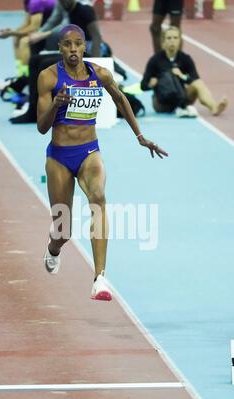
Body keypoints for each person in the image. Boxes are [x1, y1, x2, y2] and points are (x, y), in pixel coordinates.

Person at [38, 24, 168, 301]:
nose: (73, 49)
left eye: (77, 44)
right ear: (60, 48)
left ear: (84, 46)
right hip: (59, 157)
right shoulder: (48, 77)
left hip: (89, 152)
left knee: (98, 198)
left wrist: (140, 136)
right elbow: (41, 127)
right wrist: (56, 105)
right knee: (63, 230)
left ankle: (100, 278)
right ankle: (53, 248)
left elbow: (120, 99)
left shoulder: (101, 74)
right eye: (67, 45)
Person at [9, 0, 113, 124]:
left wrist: (95, 64)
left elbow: (97, 37)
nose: (64, 3)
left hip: (86, 55)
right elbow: (55, 25)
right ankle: (33, 110)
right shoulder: (67, 10)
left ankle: (40, 111)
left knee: (44, 64)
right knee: (34, 60)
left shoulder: (85, 10)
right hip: (72, 53)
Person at [141, 26, 228, 117]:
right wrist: (151, 85)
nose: (172, 41)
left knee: (198, 84)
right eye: (169, 38)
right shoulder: (155, 60)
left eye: (175, 38)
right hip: (162, 103)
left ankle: (214, 107)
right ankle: (181, 108)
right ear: (164, 41)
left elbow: (195, 79)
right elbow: (143, 86)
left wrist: (182, 76)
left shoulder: (185, 59)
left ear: (179, 41)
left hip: (181, 98)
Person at [0, 0, 56, 77]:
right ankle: (20, 74)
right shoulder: (28, 2)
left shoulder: (35, 2)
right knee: (16, 38)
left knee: (24, 41)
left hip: (56, 33)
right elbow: (26, 24)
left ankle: (28, 76)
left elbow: (34, 28)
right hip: (45, 30)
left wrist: (11, 33)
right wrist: (13, 32)